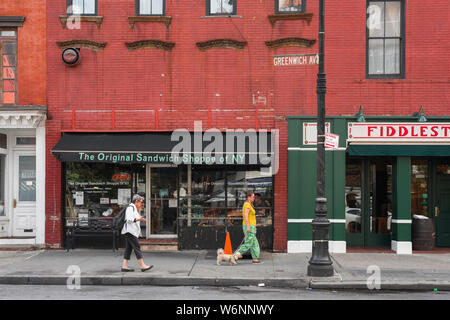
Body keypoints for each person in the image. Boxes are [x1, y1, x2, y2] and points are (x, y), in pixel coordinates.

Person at [121, 194, 153, 272]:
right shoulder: (130, 208)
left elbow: (136, 217)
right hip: (130, 231)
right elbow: (129, 219)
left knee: (128, 248)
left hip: (132, 231)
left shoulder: (134, 208)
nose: (141, 204)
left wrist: (139, 211)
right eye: (140, 202)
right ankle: (142, 265)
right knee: (136, 247)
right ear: (136, 201)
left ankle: (124, 266)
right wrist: (140, 220)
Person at [234, 191, 261, 264]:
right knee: (249, 242)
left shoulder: (249, 204)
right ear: (249, 197)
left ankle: (255, 259)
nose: (254, 198)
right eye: (253, 197)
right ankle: (237, 254)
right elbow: (245, 216)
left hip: (252, 226)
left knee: (254, 243)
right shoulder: (247, 205)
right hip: (249, 226)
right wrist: (248, 227)